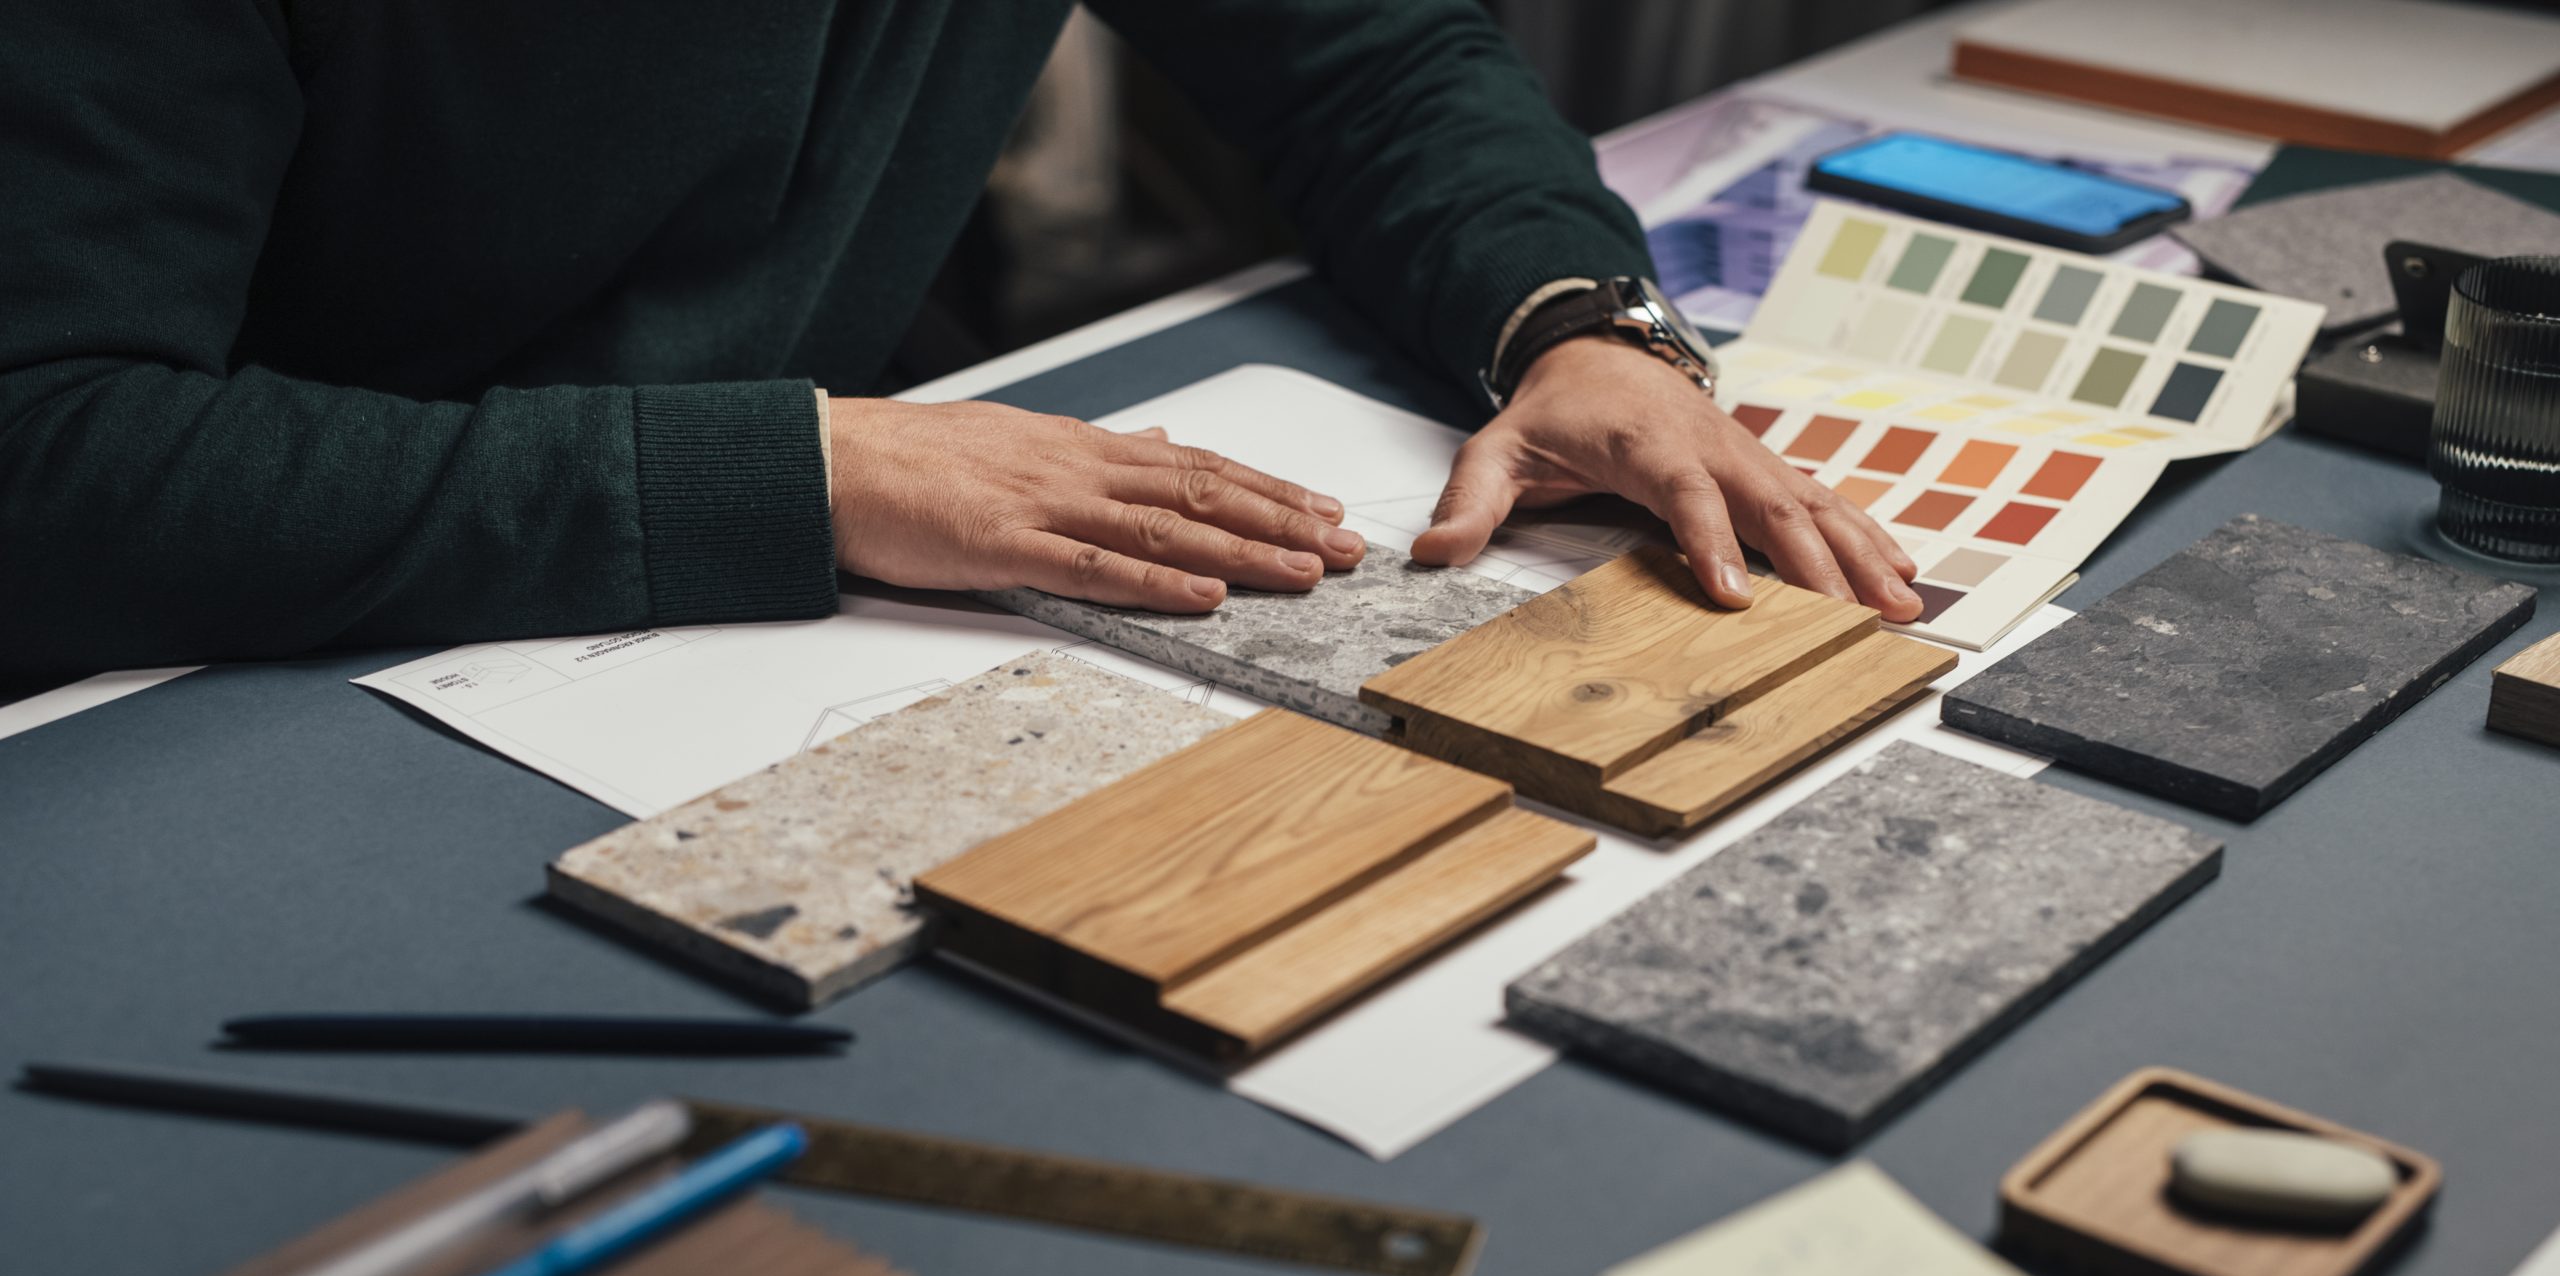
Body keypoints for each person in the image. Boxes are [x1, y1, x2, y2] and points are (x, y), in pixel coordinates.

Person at [0, 0, 1922, 683]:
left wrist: (1572, 320)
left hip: (769, 597)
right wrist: (808, 466)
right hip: (243, 676)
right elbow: (52, 457)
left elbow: (1373, 56)